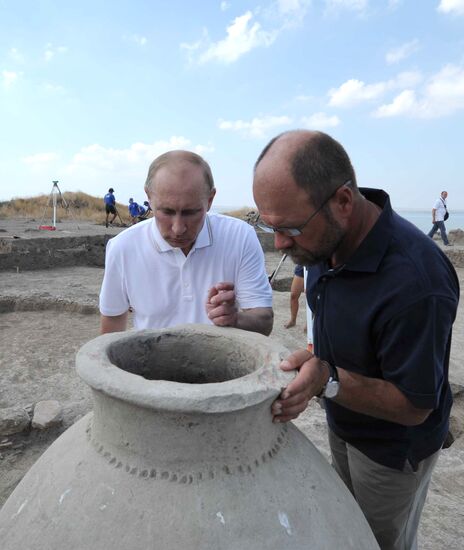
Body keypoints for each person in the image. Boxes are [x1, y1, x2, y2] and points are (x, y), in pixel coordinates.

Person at [252, 130, 459, 550]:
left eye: (290, 227)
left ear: (343, 202)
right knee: (345, 527)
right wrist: (322, 375)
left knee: (376, 542)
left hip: (391, 450)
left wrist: (326, 379)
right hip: (342, 420)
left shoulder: (415, 282)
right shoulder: (325, 241)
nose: (279, 243)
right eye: (268, 225)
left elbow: (416, 404)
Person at [100, 150, 273, 336]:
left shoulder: (239, 237)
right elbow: (112, 327)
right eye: (166, 212)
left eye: (191, 212)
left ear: (210, 199)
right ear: (149, 197)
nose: (178, 228)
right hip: (149, 363)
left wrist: (235, 319)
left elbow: (263, 320)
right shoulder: (123, 248)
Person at [284, 264, 305, 329]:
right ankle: (293, 320)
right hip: (303, 263)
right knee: (293, 295)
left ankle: (310, 323)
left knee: (311, 296)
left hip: (315, 263)